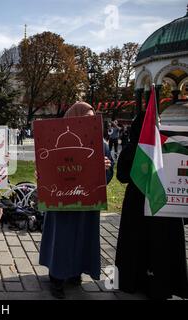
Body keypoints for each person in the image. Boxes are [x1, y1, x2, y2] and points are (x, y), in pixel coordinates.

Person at [38, 102, 114, 299]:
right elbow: (47, 169)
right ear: (74, 117)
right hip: (62, 202)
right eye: (84, 117)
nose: (88, 121)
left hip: (86, 201)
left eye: (91, 117)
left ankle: (75, 272)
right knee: (62, 238)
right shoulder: (53, 139)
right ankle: (57, 277)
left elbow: (106, 178)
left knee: (82, 237)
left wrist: (105, 167)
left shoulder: (100, 143)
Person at [115, 112, 188, 300]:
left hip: (136, 203)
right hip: (163, 201)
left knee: (136, 241)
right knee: (162, 244)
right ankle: (162, 282)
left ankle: (133, 280)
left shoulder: (131, 149)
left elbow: (122, 177)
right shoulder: (171, 146)